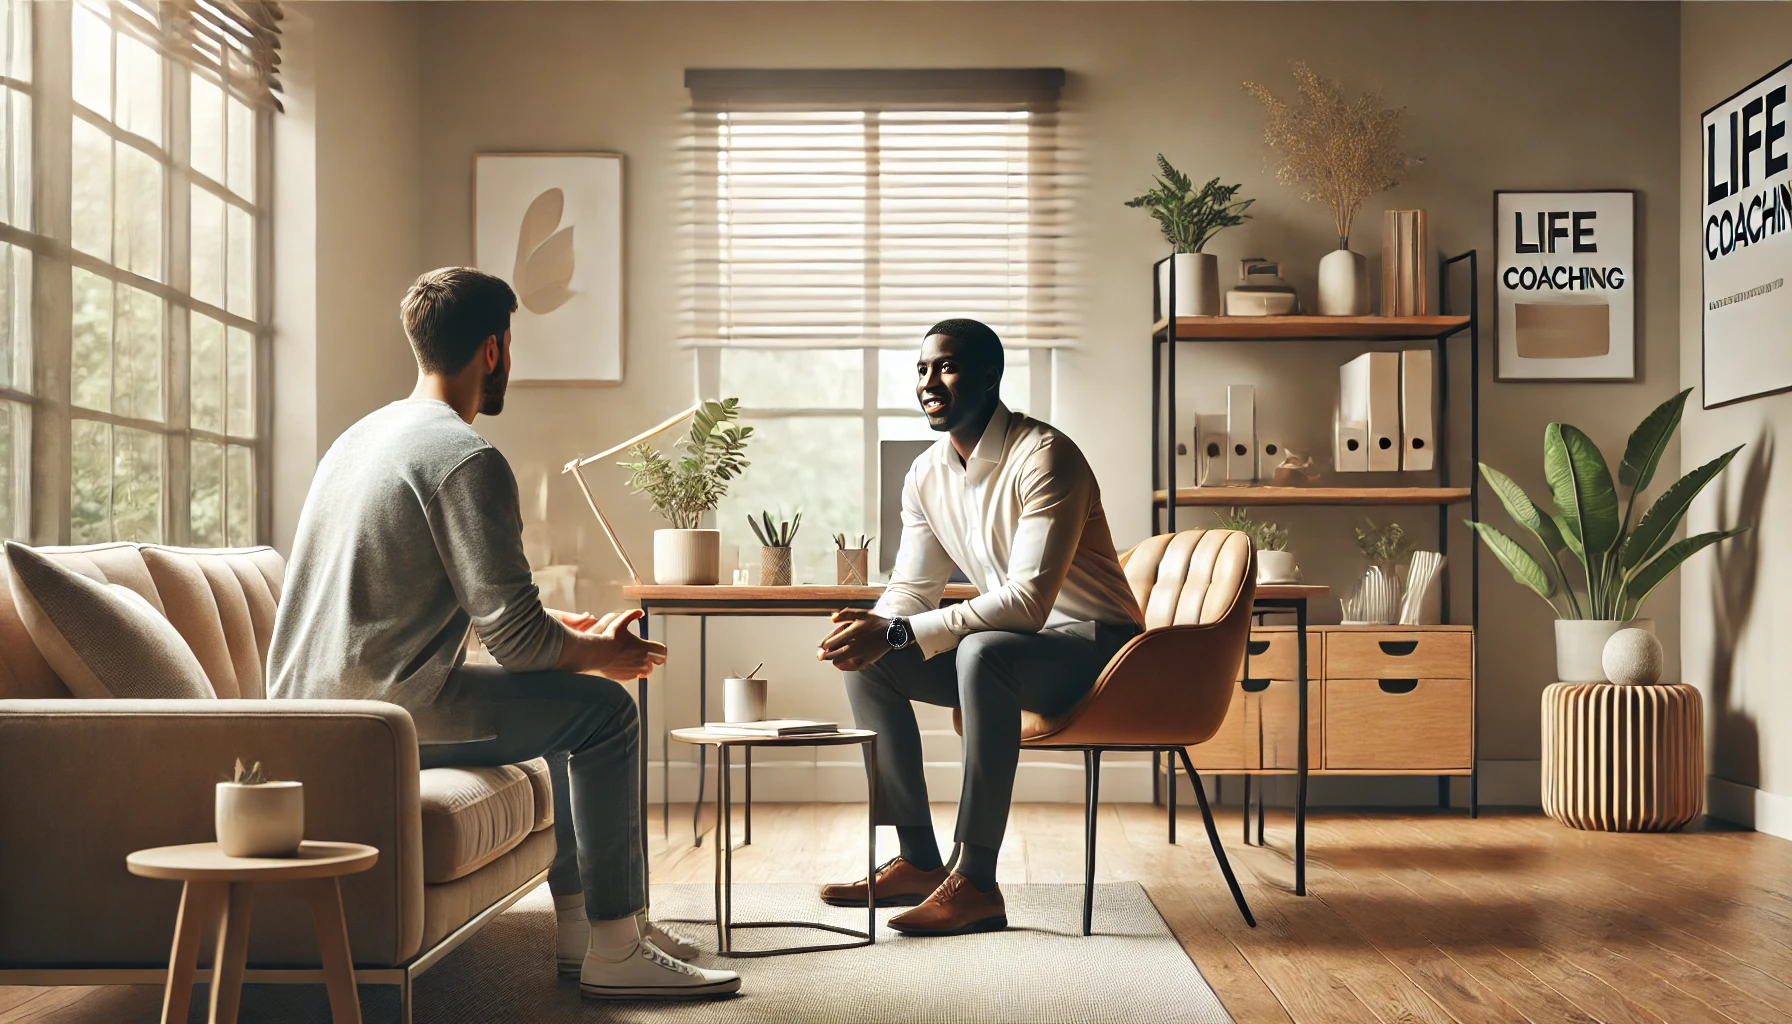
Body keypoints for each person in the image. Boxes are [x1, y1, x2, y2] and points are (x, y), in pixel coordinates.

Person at [268, 267, 740, 999]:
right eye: (511, 347)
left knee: (561, 700)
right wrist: (602, 655)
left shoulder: (360, 439)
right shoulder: (465, 457)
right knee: (606, 713)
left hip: (312, 705)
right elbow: (519, 645)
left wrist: (568, 633)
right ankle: (617, 948)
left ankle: (594, 929)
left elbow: (487, 619)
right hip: (378, 716)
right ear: (494, 350)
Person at [815, 318, 1145, 936]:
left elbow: (1026, 605)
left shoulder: (1046, 457)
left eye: (947, 366)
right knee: (869, 658)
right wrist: (873, 629)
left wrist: (895, 631)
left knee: (982, 652)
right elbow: (913, 590)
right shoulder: (925, 473)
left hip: (1103, 653)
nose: (929, 382)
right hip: (1020, 651)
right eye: (922, 369)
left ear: (990, 377)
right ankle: (918, 858)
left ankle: (976, 882)